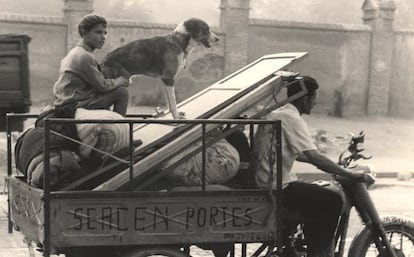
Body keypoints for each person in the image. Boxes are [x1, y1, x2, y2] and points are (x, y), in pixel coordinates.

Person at [252, 76, 374, 257]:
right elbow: (315, 156)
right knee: (332, 200)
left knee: (315, 195)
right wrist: (349, 174)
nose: (315, 103)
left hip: (267, 181)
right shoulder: (292, 118)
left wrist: (331, 164)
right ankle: (319, 253)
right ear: (303, 98)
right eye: (314, 98)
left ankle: (297, 244)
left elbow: (296, 152)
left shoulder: (279, 114)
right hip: (279, 187)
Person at [52, 14, 130, 116]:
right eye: (98, 32)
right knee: (121, 92)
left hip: (70, 101)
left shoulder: (76, 52)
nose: (103, 37)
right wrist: (120, 81)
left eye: (105, 33)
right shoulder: (84, 56)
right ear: (85, 33)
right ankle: (120, 127)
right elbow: (102, 86)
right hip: (75, 104)